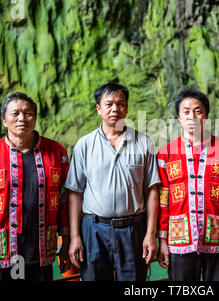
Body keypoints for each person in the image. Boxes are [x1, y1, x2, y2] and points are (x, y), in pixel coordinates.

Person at [0, 92, 71, 281]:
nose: (22, 118)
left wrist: (66, 242)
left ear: (35, 118)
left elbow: (64, 202)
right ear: (4, 120)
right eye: (15, 113)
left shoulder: (56, 152)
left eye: (28, 113)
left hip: (40, 252)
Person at [65, 82, 160, 281]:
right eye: (109, 104)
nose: (115, 109)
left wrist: (150, 234)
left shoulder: (143, 142)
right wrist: (75, 237)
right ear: (98, 109)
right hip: (94, 229)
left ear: (127, 107)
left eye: (120, 103)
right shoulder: (84, 145)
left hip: (133, 229)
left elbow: (151, 190)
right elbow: (75, 193)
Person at [156, 88, 219, 281]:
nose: (192, 117)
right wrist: (163, 241)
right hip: (179, 240)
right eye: (186, 112)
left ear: (206, 116)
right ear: (178, 118)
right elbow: (163, 202)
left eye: (198, 111)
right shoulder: (166, 154)